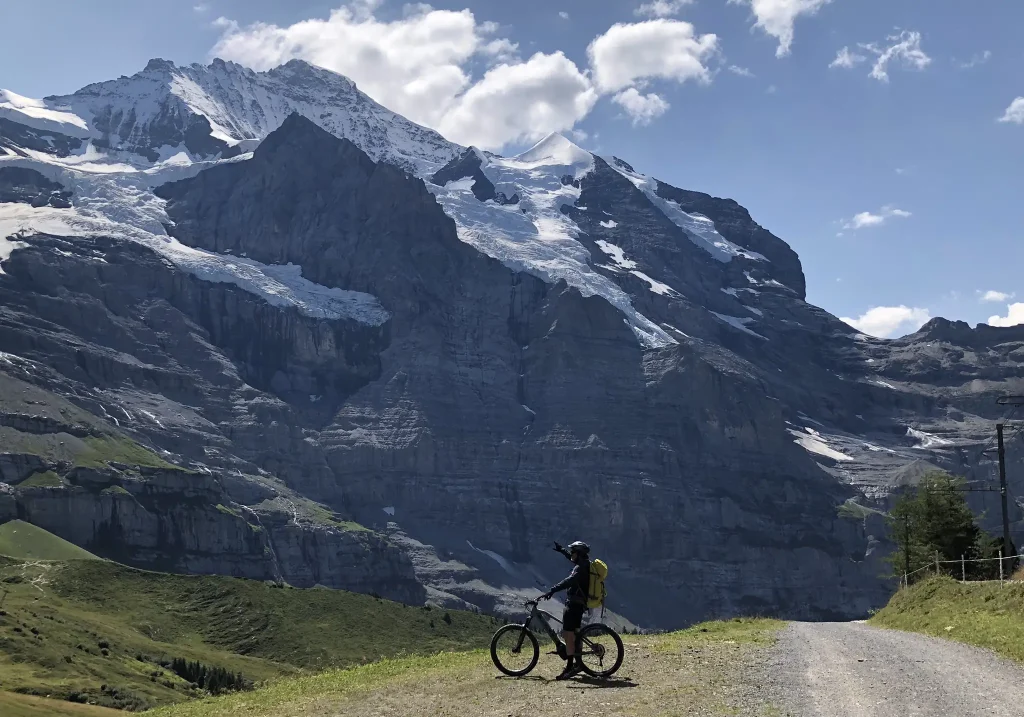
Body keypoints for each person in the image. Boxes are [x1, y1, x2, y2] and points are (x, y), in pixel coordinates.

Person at [540, 540, 591, 680]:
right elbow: (571, 558)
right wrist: (562, 550)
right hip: (578, 603)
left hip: (574, 604)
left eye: (573, 552)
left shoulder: (580, 569)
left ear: (579, 554)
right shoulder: (584, 563)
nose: (572, 554)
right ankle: (577, 663)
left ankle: (570, 667)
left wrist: (552, 590)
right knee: (574, 633)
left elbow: (569, 581)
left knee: (568, 635)